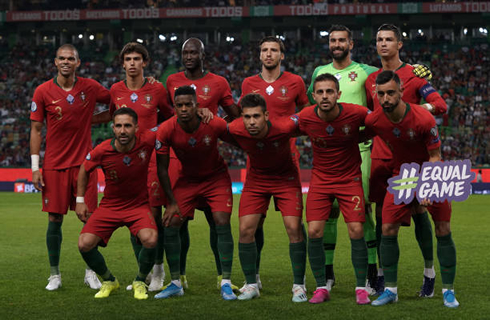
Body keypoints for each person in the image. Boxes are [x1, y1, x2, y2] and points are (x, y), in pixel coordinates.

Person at [365, 23, 448, 297]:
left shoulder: (415, 74)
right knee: (381, 216)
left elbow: (440, 106)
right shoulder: (371, 79)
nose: (383, 44)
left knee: (419, 210)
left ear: (399, 44)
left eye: (389, 39)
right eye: (379, 40)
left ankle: (429, 271)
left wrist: (415, 107)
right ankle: (380, 274)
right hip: (380, 154)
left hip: (412, 159)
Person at [30, 44, 110, 291]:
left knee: (89, 218)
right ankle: (54, 274)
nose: (66, 62)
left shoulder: (90, 87)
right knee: (54, 218)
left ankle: (91, 272)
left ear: (78, 62)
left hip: (85, 165)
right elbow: (35, 129)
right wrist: (35, 167)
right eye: (61, 58)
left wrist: (92, 119)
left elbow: (117, 102)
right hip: (54, 165)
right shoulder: (42, 91)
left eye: (70, 58)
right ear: (55, 62)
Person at [306, 25, 379, 293]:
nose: (336, 44)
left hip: (359, 151)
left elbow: (381, 103)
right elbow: (313, 109)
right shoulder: (318, 74)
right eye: (332, 40)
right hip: (328, 155)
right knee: (329, 215)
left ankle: (372, 273)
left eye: (341, 40)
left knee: (364, 213)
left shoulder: (367, 72)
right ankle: (328, 274)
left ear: (351, 43)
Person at [166, 38, 240, 290]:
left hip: (209, 158)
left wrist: (215, 118)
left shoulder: (219, 83)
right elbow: (169, 114)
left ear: (202, 54)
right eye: (185, 52)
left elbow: (236, 117)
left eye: (193, 52)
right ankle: (180, 276)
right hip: (181, 160)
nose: (188, 56)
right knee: (179, 221)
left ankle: (223, 275)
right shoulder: (172, 81)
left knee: (215, 220)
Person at [239, 36, 309, 289]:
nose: (269, 54)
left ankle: (299, 285)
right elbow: (242, 119)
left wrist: (287, 127)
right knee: (250, 225)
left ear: (282, 55)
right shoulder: (248, 83)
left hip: (286, 164)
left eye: (274, 50)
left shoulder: (295, 82)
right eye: (265, 50)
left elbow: (306, 112)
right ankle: (253, 280)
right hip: (257, 164)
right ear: (259, 55)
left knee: (293, 227)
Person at [154, 86, 236, 301]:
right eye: (179, 105)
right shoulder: (166, 129)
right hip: (187, 180)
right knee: (171, 221)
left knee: (220, 220)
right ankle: (175, 283)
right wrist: (171, 203)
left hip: (216, 178)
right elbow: (162, 169)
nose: (183, 109)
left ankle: (226, 282)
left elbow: (239, 139)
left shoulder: (214, 123)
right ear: (173, 107)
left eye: (188, 104)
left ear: (197, 106)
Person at [297, 73, 370, 305]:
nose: (325, 96)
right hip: (320, 180)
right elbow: (279, 127)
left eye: (330, 91)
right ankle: (321, 287)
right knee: (314, 231)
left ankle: (361, 287)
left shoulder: (356, 112)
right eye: (320, 92)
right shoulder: (306, 116)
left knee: (357, 230)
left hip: (350, 179)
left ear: (338, 94)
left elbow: (380, 121)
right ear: (313, 96)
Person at [228, 93, 307, 302]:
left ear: (266, 115)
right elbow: (216, 128)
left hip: (285, 179)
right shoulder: (235, 128)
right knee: (245, 230)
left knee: (294, 228)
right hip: (257, 180)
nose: (252, 122)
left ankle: (299, 285)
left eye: (256, 116)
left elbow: (309, 119)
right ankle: (251, 284)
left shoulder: (284, 126)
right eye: (247, 117)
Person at [109, 42, 174, 292]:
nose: (133, 63)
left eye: (137, 58)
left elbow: (169, 116)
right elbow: (110, 115)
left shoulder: (157, 89)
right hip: (125, 163)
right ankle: (142, 273)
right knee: (130, 218)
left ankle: (158, 271)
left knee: (154, 218)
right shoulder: (115, 90)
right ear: (123, 63)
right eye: (128, 59)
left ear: (144, 62)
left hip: (152, 161)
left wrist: (156, 135)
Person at [76, 107, 158, 300]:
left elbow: (172, 126)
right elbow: (83, 170)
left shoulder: (147, 141)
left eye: (128, 126)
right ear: (113, 128)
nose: (123, 130)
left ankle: (139, 280)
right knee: (84, 244)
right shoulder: (102, 150)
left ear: (136, 127)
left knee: (151, 239)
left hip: (138, 206)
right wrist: (80, 200)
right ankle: (109, 280)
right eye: (119, 126)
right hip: (110, 206)